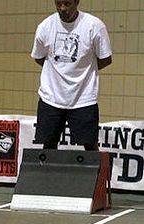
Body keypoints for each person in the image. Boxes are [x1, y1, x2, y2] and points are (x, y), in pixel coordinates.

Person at [31, 0, 112, 151]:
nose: (63, 9)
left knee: (90, 145)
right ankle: (49, 175)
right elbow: (38, 57)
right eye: (58, 4)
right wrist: (60, 70)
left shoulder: (94, 26)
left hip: (83, 98)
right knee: (48, 145)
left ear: (77, 2)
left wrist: (81, 71)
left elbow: (106, 59)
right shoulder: (45, 26)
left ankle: (95, 175)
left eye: (67, 4)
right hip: (51, 96)